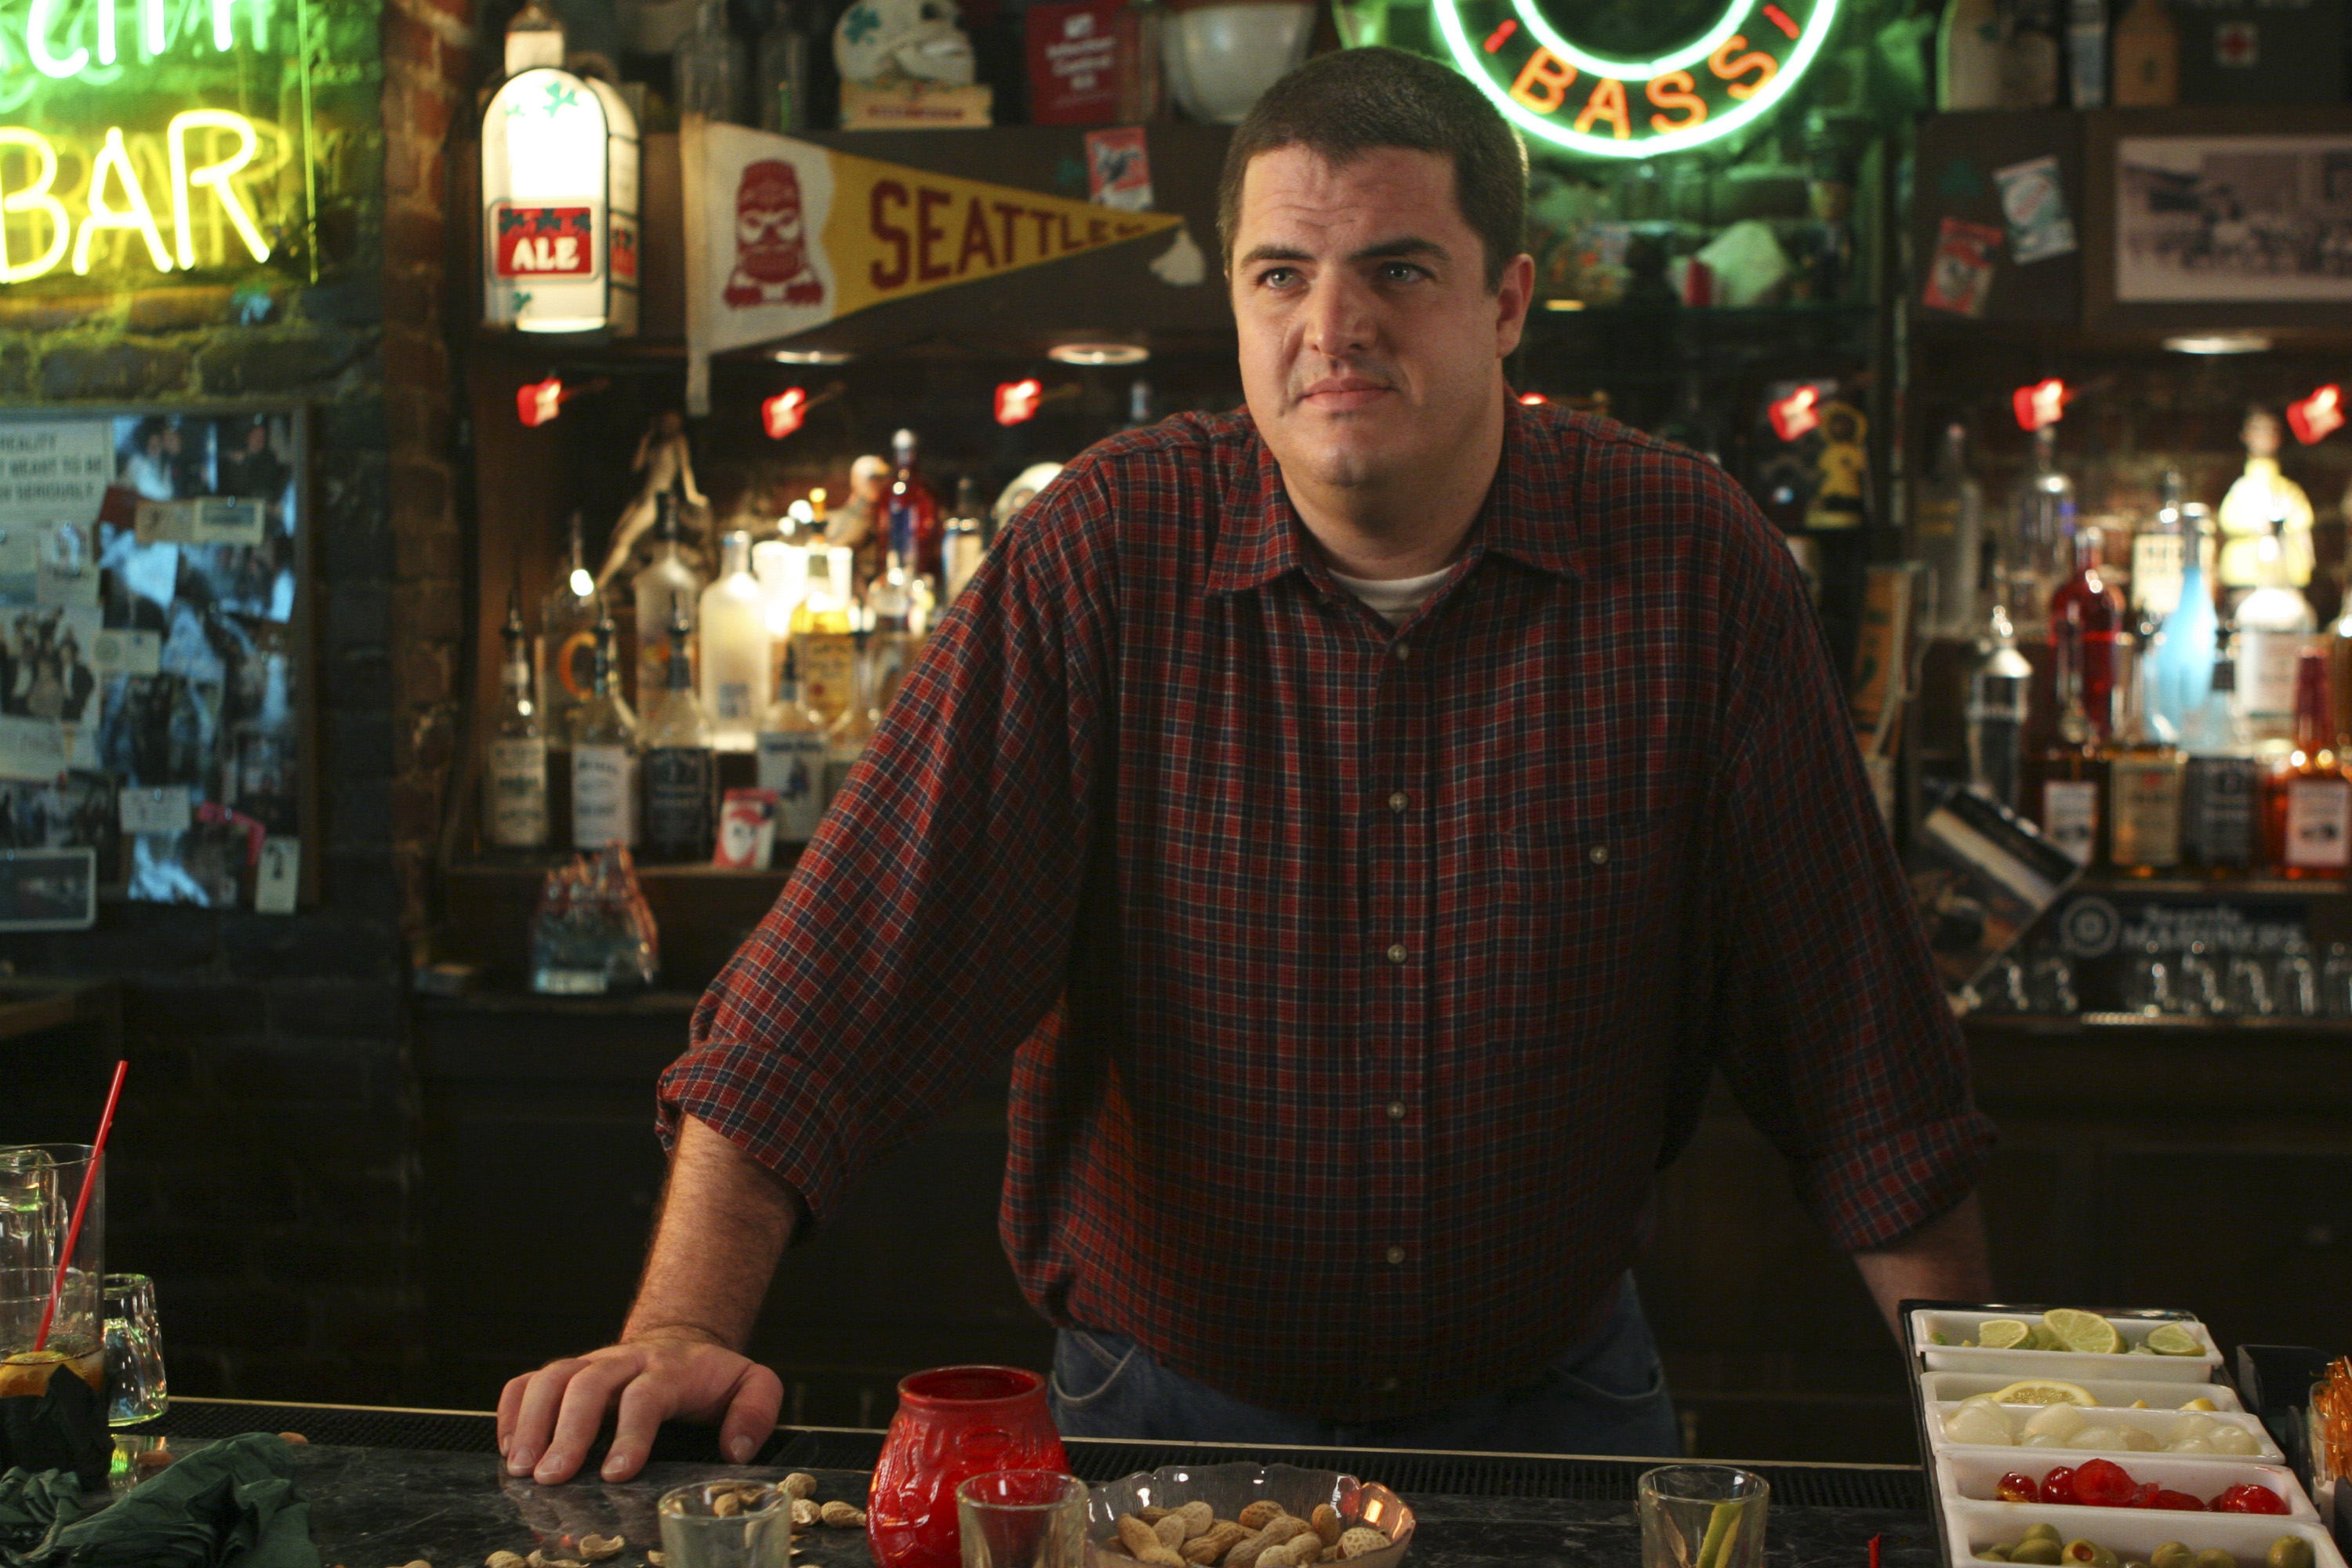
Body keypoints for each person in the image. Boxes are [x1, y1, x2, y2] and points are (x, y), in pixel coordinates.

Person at [500, 46, 1994, 1486]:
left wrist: (2002, 1434)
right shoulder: (1106, 553)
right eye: (1283, 274)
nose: (1332, 327)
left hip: (1554, 1420)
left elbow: (1860, 1049)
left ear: (1507, 302)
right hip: (1165, 1420)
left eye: (1397, 270)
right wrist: (680, 1331)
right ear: (1233, 299)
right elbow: (843, 977)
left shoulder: (1690, 565)